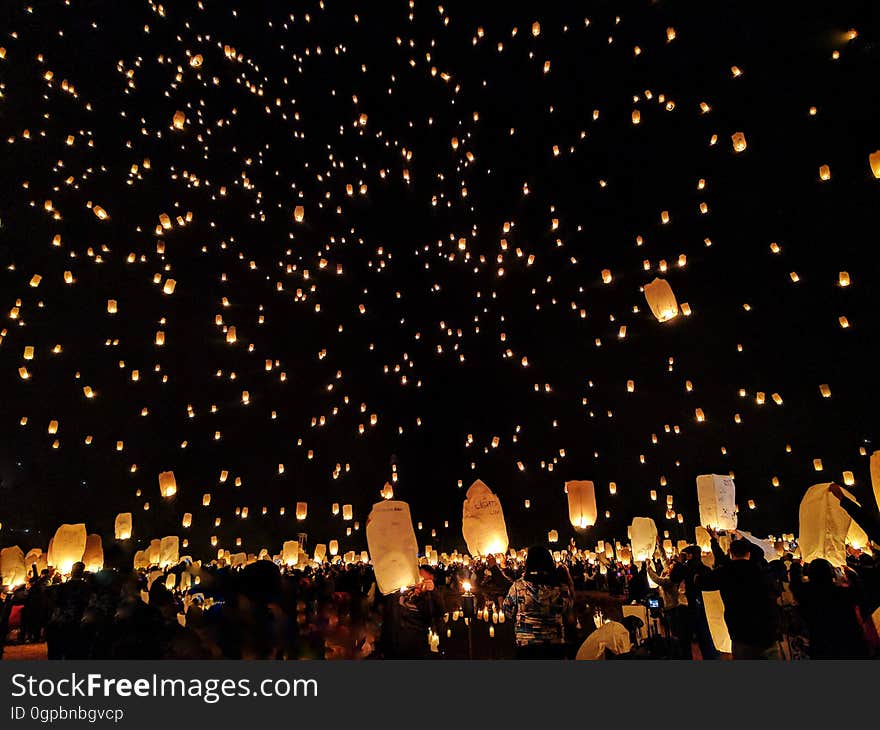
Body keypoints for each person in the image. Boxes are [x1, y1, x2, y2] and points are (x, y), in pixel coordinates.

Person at [698, 538, 781, 659]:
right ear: (748, 553)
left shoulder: (726, 571)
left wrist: (696, 576)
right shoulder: (761, 570)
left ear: (731, 553)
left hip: (741, 631)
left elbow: (703, 583)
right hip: (767, 629)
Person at [788, 558, 870, 659]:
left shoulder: (806, 594)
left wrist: (796, 564)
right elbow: (859, 590)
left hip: (821, 646)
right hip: (849, 643)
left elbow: (795, 582)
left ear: (809, 575)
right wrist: (848, 571)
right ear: (831, 574)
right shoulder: (843, 594)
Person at [502, 546, 572, 658]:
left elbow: (507, 612)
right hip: (555, 645)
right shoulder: (561, 588)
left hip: (527, 645)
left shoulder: (519, 586)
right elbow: (567, 609)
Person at [378, 565, 441, 659]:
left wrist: (432, 593)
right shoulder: (397, 596)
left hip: (415, 648)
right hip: (394, 648)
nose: (419, 584)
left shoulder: (427, 599)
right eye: (418, 579)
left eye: (424, 581)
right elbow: (388, 620)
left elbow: (437, 613)